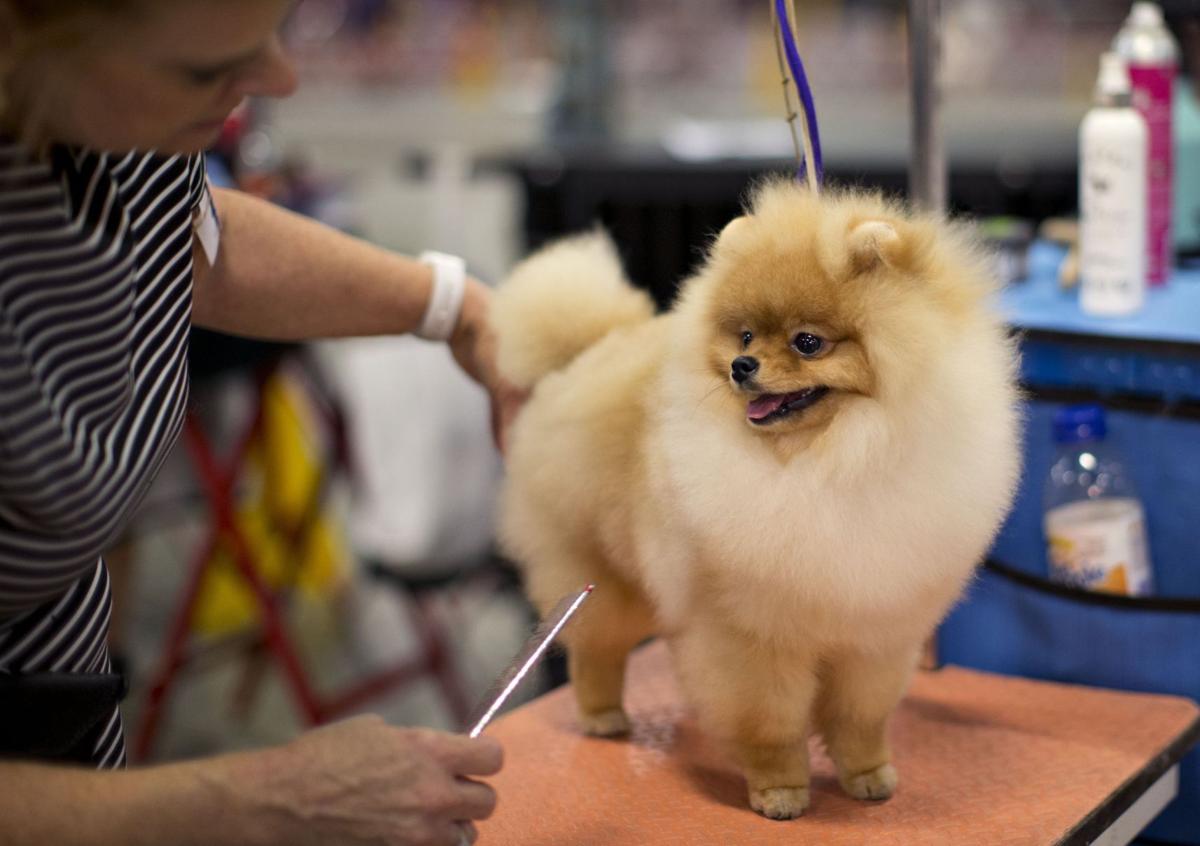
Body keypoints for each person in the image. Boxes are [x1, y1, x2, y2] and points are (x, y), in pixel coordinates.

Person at [0, 0, 524, 843]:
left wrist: (454, 306)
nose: (279, 79)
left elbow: (194, 238)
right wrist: (256, 802)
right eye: (208, 69)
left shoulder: (110, 130)